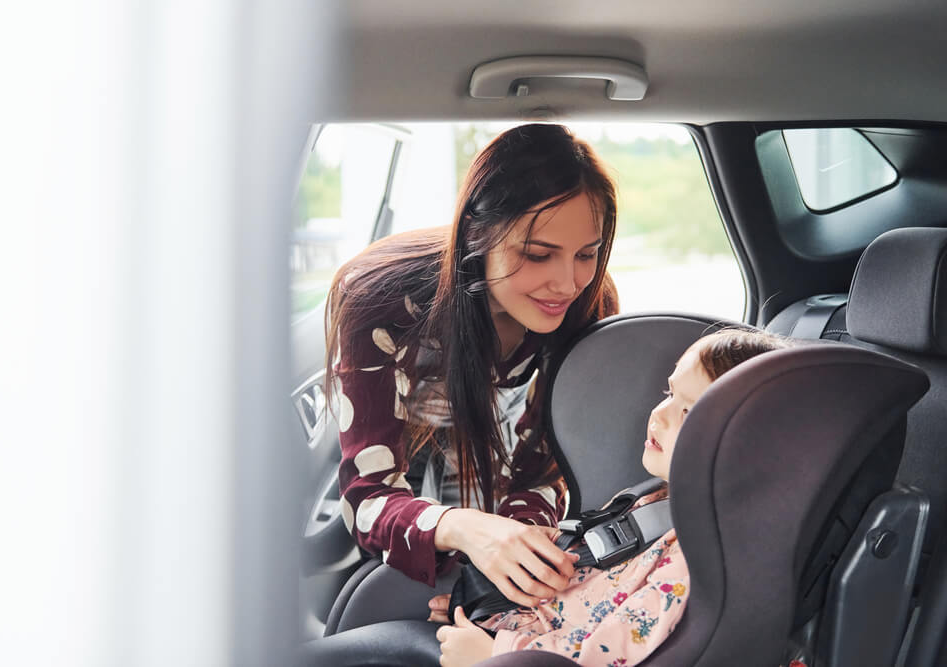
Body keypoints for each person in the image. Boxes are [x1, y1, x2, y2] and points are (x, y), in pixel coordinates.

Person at [326, 123, 620, 611]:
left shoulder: (591, 302)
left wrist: (511, 557)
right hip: (415, 417)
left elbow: (543, 469)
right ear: (476, 237)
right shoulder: (375, 298)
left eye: (587, 254)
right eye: (537, 254)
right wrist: (463, 529)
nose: (567, 283)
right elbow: (367, 497)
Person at [431, 329, 793, 667]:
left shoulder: (696, 562)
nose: (658, 416)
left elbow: (604, 656)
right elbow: (595, 580)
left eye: (688, 411)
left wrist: (494, 653)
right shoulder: (659, 499)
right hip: (532, 625)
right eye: (669, 395)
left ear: (745, 445)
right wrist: (495, 602)